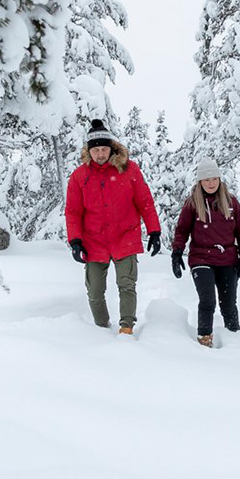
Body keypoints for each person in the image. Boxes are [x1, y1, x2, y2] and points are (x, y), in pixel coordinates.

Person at [65, 119, 161, 335]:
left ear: (112, 148)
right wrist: (75, 240)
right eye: (96, 150)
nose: (100, 154)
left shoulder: (129, 170)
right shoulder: (79, 176)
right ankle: (101, 329)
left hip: (124, 237)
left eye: (104, 149)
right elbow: (73, 211)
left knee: (126, 284)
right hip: (93, 240)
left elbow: (145, 202)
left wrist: (154, 230)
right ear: (89, 151)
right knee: (95, 291)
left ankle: (126, 327)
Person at [170, 155, 240, 348]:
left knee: (228, 303)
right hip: (201, 258)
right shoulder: (192, 203)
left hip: (228, 259)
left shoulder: (231, 202)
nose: (211, 183)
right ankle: (204, 340)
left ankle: (236, 341)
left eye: (214, 178)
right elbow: (182, 230)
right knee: (208, 301)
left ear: (220, 179)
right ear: (200, 181)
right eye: (206, 179)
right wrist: (177, 252)